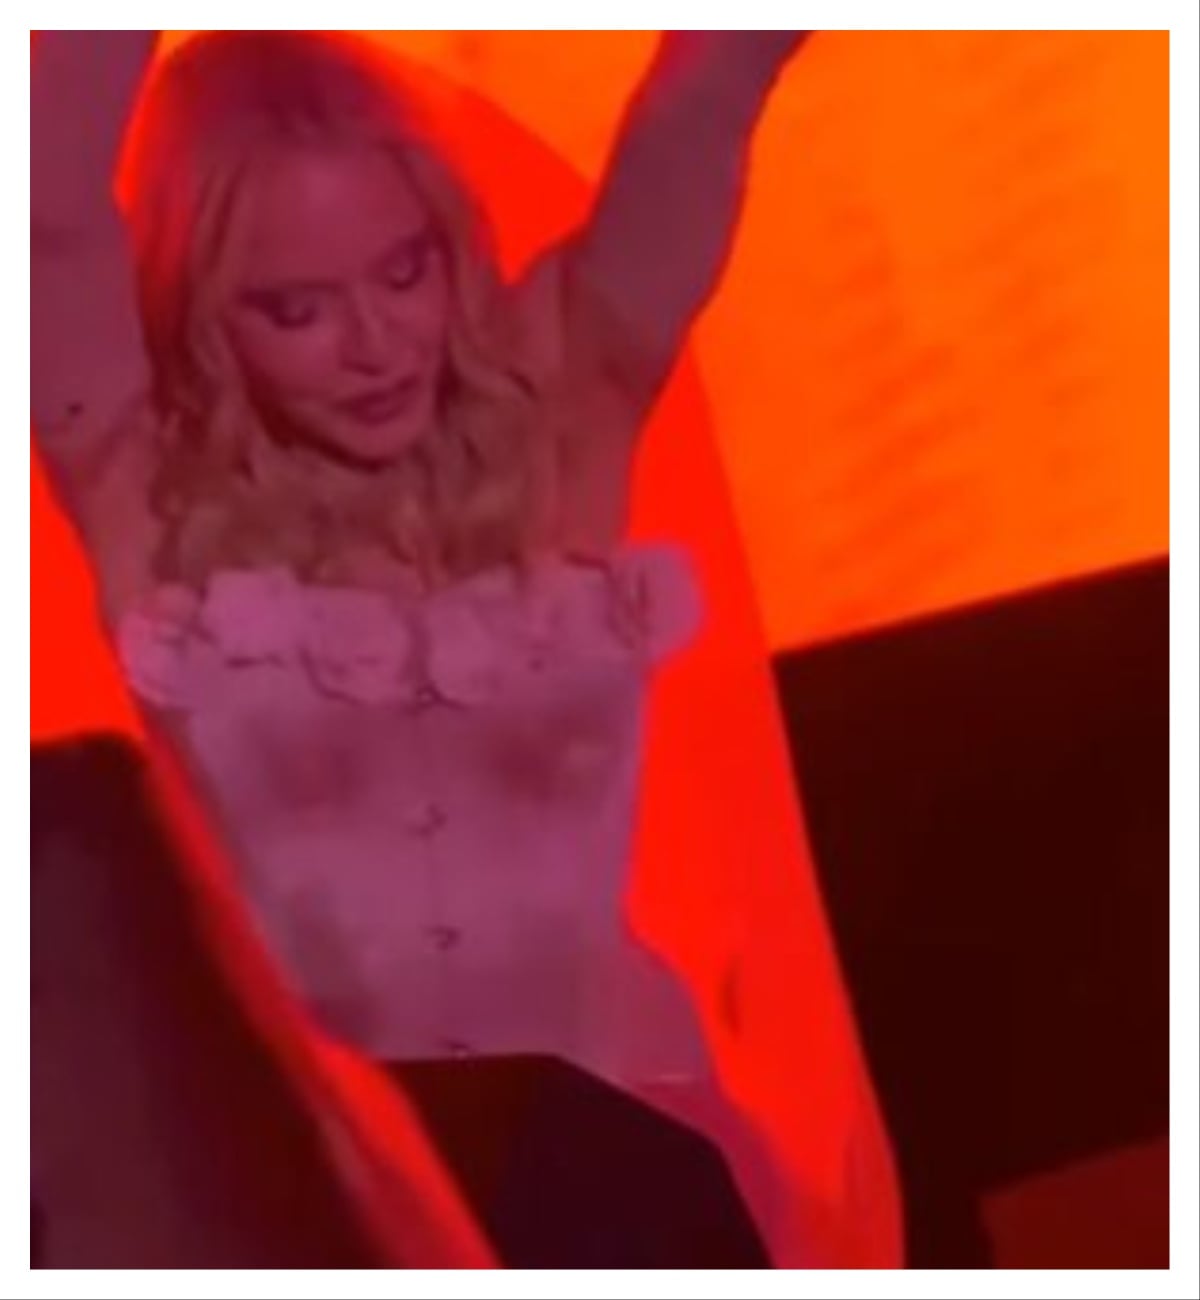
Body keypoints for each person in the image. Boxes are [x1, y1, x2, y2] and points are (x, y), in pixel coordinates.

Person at [32, 28, 817, 1264]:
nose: (376, 342)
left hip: (622, 1153)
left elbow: (714, 84)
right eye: (295, 307)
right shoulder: (151, 493)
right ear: (201, 309)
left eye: (405, 271)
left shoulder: (554, 413)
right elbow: (41, 206)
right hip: (340, 1197)